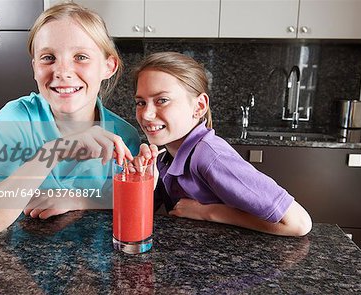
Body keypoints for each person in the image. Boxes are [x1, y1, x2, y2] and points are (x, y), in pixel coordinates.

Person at [0, 2, 140, 245]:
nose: (62, 71)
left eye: (81, 57)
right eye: (48, 58)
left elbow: (127, 204)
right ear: (35, 67)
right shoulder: (16, 118)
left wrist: (79, 199)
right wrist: (53, 151)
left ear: (108, 66)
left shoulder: (124, 136)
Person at [132, 52, 312, 236]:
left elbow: (298, 223)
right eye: (140, 102)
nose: (146, 114)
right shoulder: (165, 158)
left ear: (199, 106)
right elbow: (137, 221)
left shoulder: (209, 156)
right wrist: (141, 183)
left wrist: (207, 212)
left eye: (162, 100)